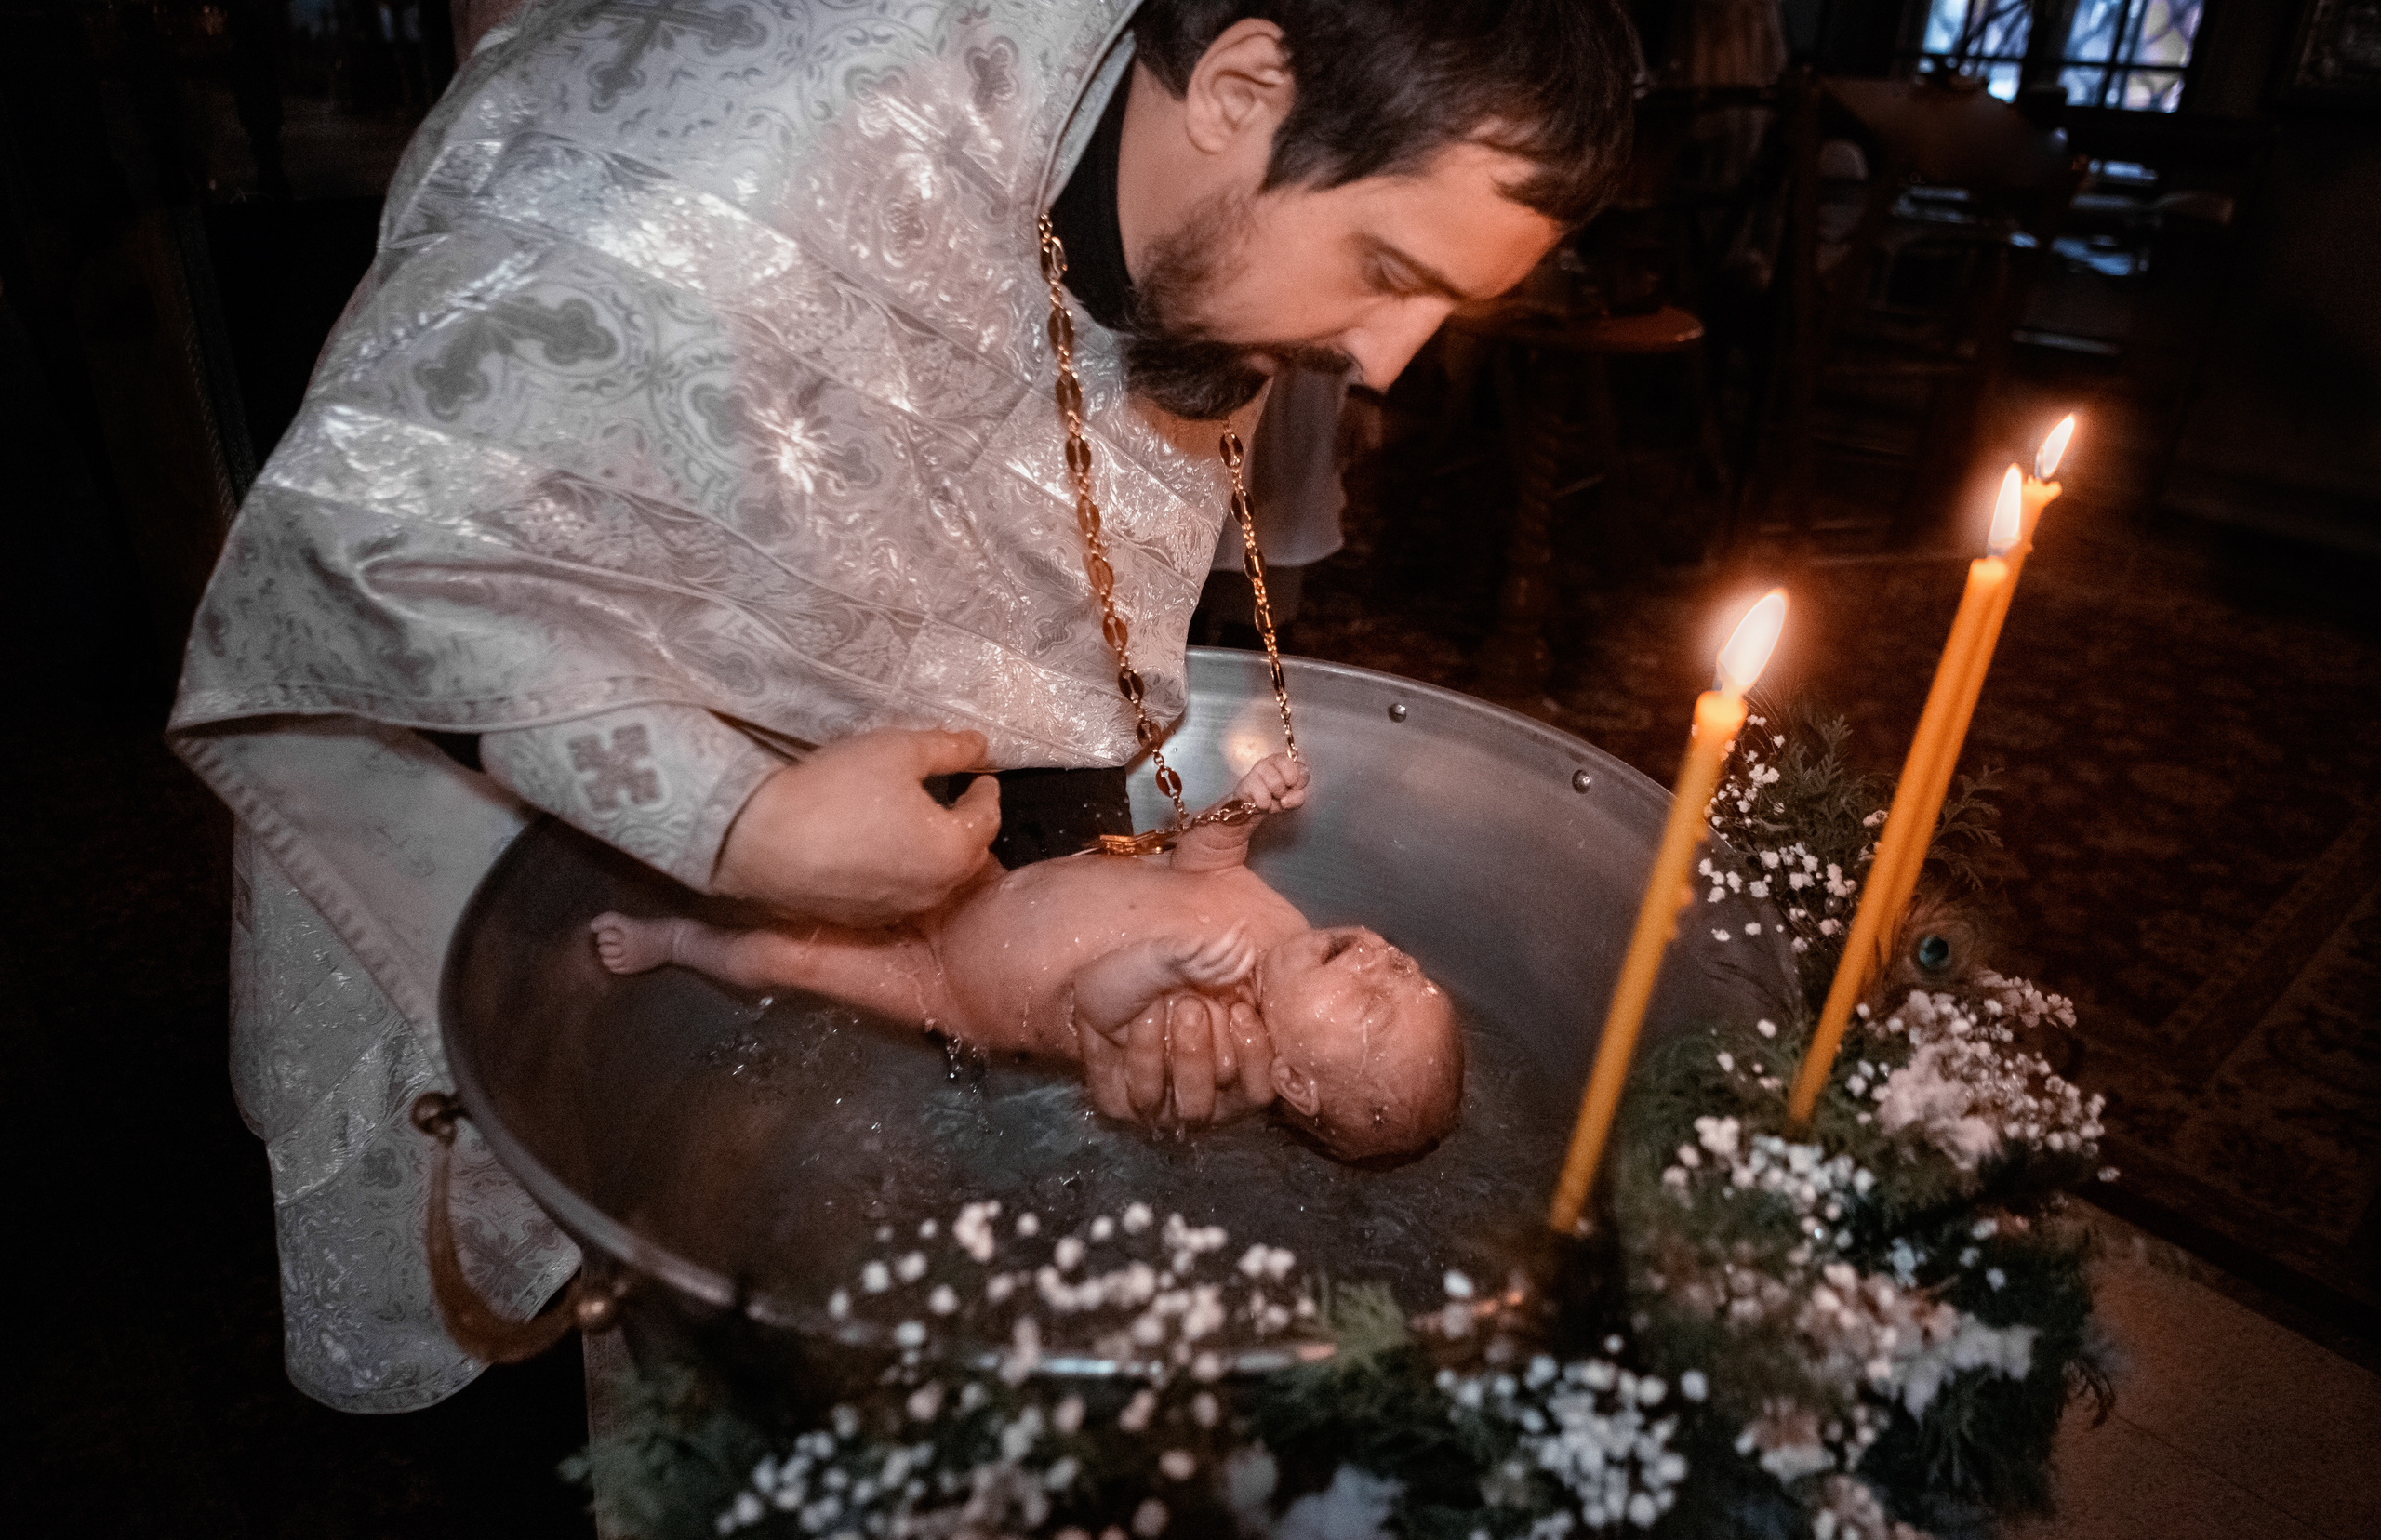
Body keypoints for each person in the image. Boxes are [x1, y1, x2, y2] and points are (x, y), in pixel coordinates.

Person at [168, 0, 1639, 1409]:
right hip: (522, 789)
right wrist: (730, 816)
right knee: (565, 1261)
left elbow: (1027, 542)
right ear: (1243, 87)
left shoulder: (1215, 206)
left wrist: (1073, 924)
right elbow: (363, 541)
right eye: (1390, 269)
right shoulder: (751, 135)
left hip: (895, 860)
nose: (1386, 362)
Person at [590, 751, 1465, 1160]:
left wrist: (1161, 967)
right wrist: (1243, 806)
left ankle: (682, 940)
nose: (1384, 964)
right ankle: (722, 831)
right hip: (988, 884)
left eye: (1379, 1006)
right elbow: (1205, 861)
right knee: (824, 876)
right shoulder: (1279, 930)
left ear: (1302, 1085)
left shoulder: (1229, 1058)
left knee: (797, 958)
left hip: (948, 986)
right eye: (1410, 970)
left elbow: (1092, 1001)